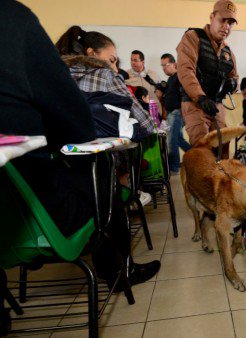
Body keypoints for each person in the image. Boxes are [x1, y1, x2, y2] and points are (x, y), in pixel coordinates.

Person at [1, 3, 159, 289]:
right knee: (104, 179)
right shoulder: (14, 22)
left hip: (8, 211)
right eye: (112, 60)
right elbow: (91, 128)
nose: (116, 67)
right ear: (92, 55)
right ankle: (120, 271)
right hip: (46, 210)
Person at [55, 26, 155, 136]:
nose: (116, 69)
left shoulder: (56, 77)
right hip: (101, 151)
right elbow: (146, 124)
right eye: (111, 61)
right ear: (91, 53)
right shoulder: (106, 75)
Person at [177, 0, 239, 147]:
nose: (226, 26)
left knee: (222, 147)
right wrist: (200, 97)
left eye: (230, 23)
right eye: (222, 20)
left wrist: (233, 84)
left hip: (217, 105)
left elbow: (235, 77)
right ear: (212, 17)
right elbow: (186, 70)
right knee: (202, 148)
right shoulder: (193, 37)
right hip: (195, 104)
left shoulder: (228, 52)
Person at [160, 53, 191, 173]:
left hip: (178, 112)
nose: (163, 68)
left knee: (172, 140)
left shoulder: (180, 76)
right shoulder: (170, 78)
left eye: (165, 65)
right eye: (162, 65)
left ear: (174, 64)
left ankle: (174, 168)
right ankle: (197, 155)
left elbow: (186, 93)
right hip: (171, 112)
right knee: (178, 139)